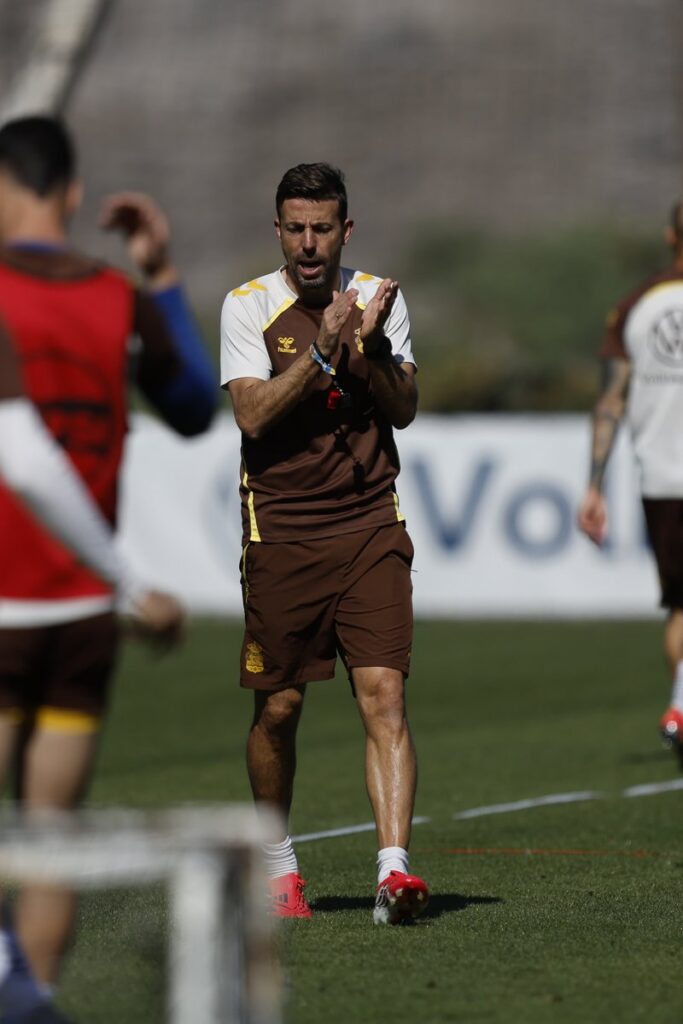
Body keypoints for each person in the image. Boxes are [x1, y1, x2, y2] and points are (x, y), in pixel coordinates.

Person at [0, 114, 217, 1022]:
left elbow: (20, 455)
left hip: (4, 596)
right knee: (51, 836)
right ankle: (35, 999)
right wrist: (160, 275)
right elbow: (197, 407)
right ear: (74, 193)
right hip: (85, 608)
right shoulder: (118, 297)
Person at [220, 162, 428, 925]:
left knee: (384, 695)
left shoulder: (377, 300)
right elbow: (251, 415)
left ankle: (393, 872)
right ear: (277, 231)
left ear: (346, 230)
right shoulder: (247, 306)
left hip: (371, 524)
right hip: (282, 533)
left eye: (322, 229)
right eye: (296, 229)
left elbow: (403, 409)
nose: (309, 244)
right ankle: (277, 864)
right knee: (278, 709)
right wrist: (320, 353)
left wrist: (369, 350)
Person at [578, 201, 683, 766]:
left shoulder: (636, 306)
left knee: (679, 606)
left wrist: (594, 484)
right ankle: (680, 704)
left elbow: (610, 400)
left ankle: (680, 706)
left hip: (662, 478)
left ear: (670, 236)